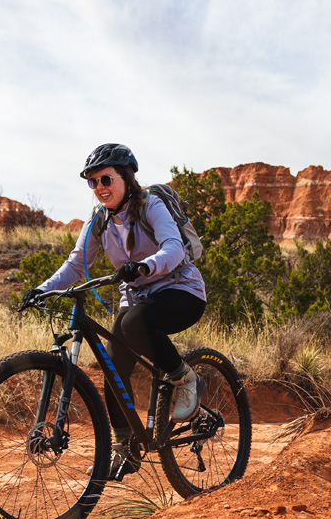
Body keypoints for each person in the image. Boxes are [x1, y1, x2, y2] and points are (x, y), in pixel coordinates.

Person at [22, 143, 207, 479]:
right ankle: (125, 448)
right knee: (111, 368)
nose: (99, 188)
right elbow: (77, 264)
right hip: (138, 300)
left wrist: (144, 267)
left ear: (125, 176)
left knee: (134, 322)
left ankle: (186, 379)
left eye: (105, 179)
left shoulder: (150, 205)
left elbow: (173, 248)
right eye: (92, 183)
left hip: (182, 291)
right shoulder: (98, 221)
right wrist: (42, 289)